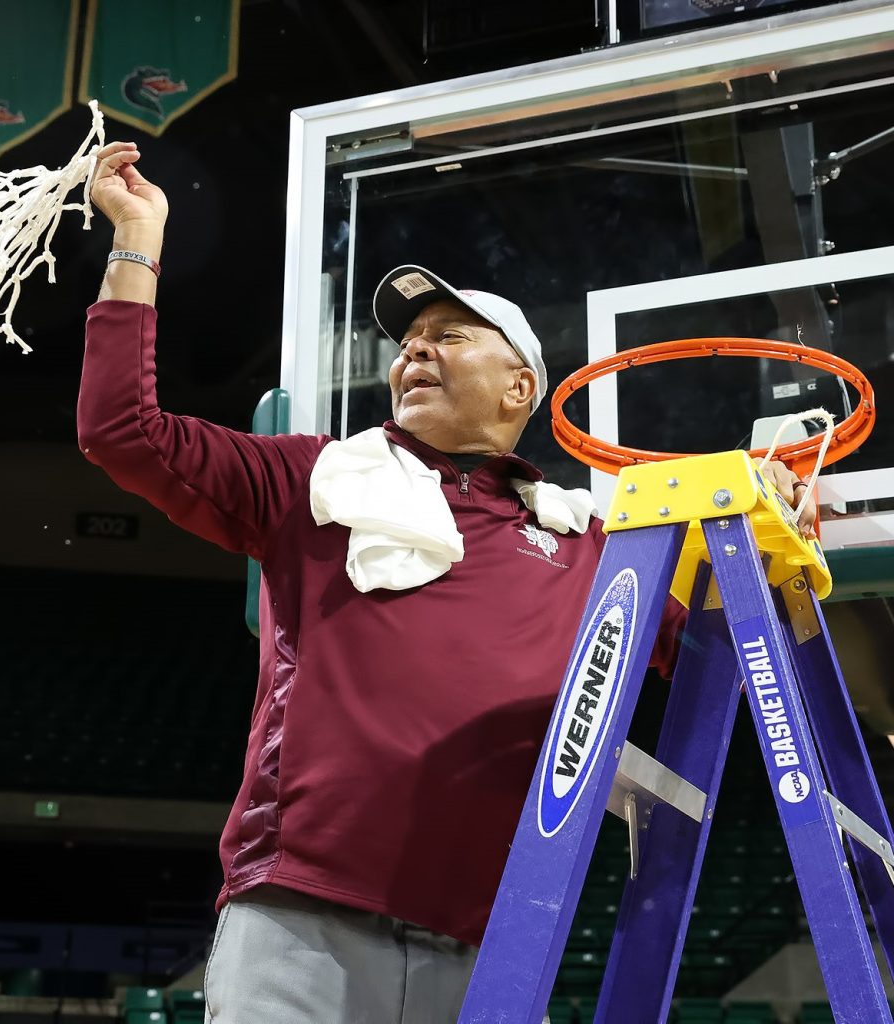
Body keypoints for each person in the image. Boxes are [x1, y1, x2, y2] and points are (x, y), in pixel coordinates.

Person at [78, 142, 816, 1024]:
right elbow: (120, 430)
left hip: (495, 942)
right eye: (408, 343)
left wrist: (767, 535)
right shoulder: (313, 480)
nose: (413, 353)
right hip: (303, 915)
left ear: (521, 384)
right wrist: (136, 238)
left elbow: (723, 657)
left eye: (448, 336)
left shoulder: (591, 543)